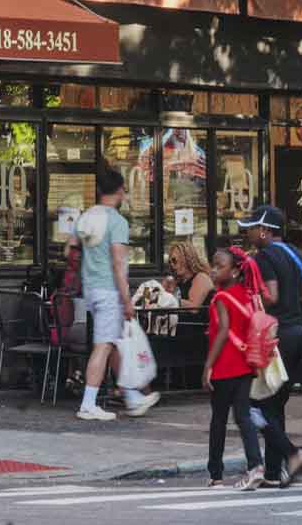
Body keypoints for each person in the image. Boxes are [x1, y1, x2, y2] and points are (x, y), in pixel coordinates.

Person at [238, 204, 302, 486]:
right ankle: (272, 473)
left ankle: (292, 454)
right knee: (276, 404)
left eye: (252, 229)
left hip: (274, 335)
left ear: (266, 231)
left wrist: (247, 295)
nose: (249, 234)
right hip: (298, 334)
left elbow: (270, 295)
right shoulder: (300, 257)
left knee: (251, 404)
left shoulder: (264, 256)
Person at [73, 170, 158, 421]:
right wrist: (127, 299)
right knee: (104, 346)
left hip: (90, 289)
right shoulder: (117, 222)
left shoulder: (86, 217)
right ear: (120, 191)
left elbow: (71, 246)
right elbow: (118, 265)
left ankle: (132, 396)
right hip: (109, 291)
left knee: (113, 345)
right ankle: (88, 403)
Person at [204, 246, 266, 490]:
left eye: (219, 266)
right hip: (246, 365)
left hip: (224, 366)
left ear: (234, 272)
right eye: (213, 264)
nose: (213, 270)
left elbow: (222, 331)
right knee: (243, 417)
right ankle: (256, 465)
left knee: (218, 420)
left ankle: (215, 475)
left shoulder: (220, 297)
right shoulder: (247, 295)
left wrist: (208, 366)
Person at [165, 240, 215, 309]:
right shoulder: (179, 280)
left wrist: (167, 299)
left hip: (199, 319)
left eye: (174, 260)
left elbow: (193, 307)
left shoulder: (201, 277)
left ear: (186, 258)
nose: (172, 265)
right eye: (170, 262)